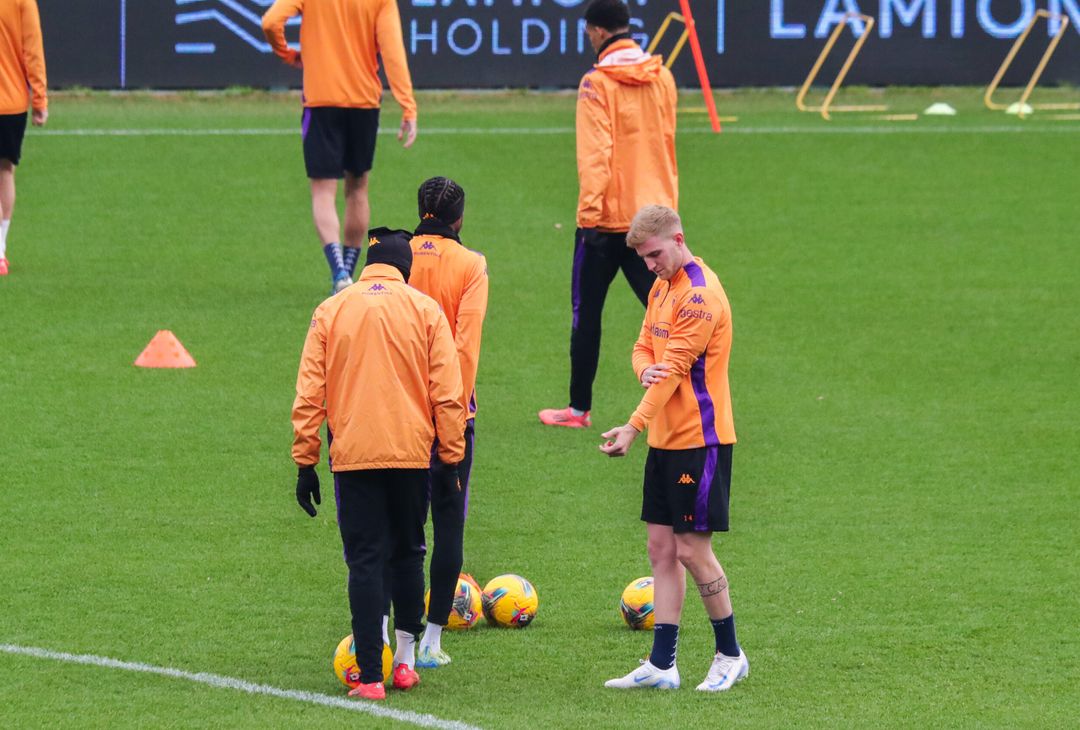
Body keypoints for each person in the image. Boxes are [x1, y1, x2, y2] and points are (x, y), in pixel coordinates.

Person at [291, 229, 465, 701]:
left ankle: (370, 677)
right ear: (404, 268)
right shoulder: (425, 310)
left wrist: (306, 460)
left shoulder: (331, 310)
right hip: (412, 455)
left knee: (365, 561)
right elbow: (448, 394)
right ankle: (405, 664)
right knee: (409, 552)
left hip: (354, 457)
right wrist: (450, 459)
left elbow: (310, 394)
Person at [599, 205, 748, 692]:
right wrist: (643, 370)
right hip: (666, 440)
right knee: (660, 548)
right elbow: (644, 347)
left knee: (691, 549)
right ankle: (663, 665)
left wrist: (632, 425)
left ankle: (730, 654)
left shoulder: (700, 297)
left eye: (655, 254)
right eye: (643, 258)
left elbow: (678, 368)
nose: (649, 265)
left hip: (698, 442)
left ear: (678, 239)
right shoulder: (663, 285)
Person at [538, 0, 677, 428]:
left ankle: (578, 410)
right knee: (670, 311)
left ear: (597, 32)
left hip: (606, 222)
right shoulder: (663, 77)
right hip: (653, 217)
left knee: (587, 316)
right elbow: (666, 145)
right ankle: (689, 399)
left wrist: (588, 216)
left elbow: (596, 155)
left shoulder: (596, 84)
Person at [262, 0, 418, 294]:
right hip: (364, 102)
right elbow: (392, 50)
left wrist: (287, 54)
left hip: (322, 100)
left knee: (323, 191)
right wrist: (407, 106)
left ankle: (339, 273)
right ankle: (348, 269)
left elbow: (271, 21)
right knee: (358, 189)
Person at [405, 176, 488, 668]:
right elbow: (465, 345)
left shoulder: (394, 257)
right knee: (449, 524)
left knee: (404, 526)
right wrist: (451, 408)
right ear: (459, 218)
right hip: (451, 413)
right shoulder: (471, 265)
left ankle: (403, 636)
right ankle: (434, 639)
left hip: (400, 412)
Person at [0, 0, 48, 277]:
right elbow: (33, 49)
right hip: (10, 103)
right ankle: (0, 251)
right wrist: (40, 99)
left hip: (9, 102)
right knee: (5, 171)